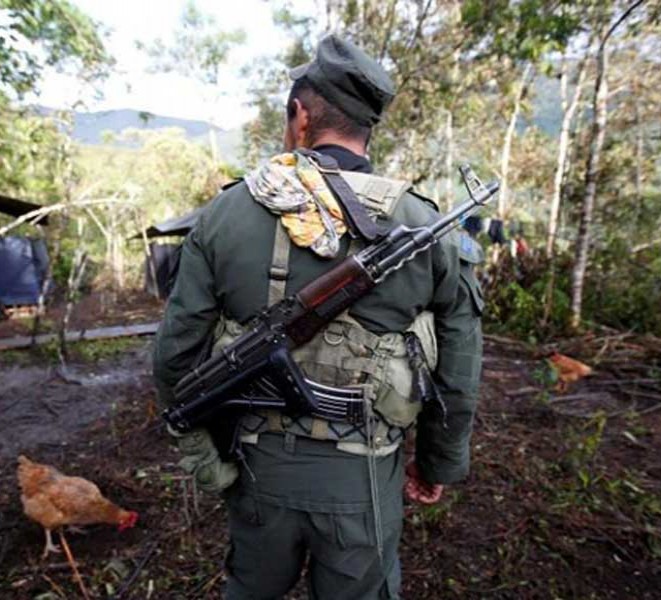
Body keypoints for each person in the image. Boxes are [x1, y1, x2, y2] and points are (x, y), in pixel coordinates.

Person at [153, 34, 483, 600]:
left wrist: (209, 457)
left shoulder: (226, 214)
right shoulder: (421, 222)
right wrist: (437, 463)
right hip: (363, 472)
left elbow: (174, 357)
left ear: (300, 117)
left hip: (256, 464)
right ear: (367, 126)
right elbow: (459, 367)